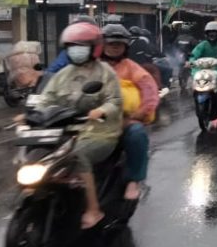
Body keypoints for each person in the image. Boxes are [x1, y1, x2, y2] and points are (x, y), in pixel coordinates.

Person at [32, 21, 122, 228]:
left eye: (81, 46)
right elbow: (46, 98)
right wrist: (32, 113)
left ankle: (93, 209)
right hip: (66, 131)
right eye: (72, 47)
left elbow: (115, 101)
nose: (76, 51)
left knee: (77, 155)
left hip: (100, 132)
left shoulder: (105, 72)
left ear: (94, 48)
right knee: (39, 155)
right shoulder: (63, 74)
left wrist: (101, 110)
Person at [100, 24, 159, 203]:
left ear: (125, 47)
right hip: (92, 121)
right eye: (111, 44)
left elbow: (150, 91)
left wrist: (141, 113)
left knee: (137, 134)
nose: (115, 47)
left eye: (119, 44)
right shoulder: (92, 67)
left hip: (123, 121)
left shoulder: (133, 68)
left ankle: (134, 180)